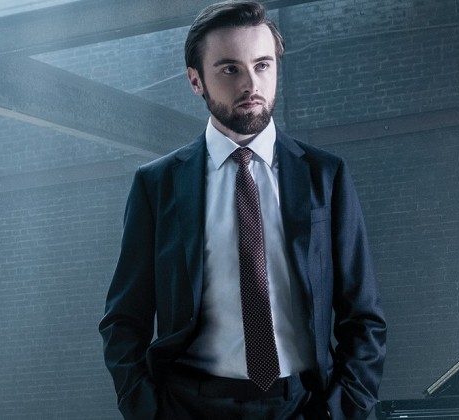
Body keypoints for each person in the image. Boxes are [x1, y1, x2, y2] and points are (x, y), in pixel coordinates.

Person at [98, 2, 386, 419]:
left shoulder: (325, 176)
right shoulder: (157, 185)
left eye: (263, 65)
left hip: (304, 405)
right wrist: (147, 411)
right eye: (230, 69)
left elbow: (364, 317)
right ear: (196, 80)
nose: (251, 83)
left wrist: (346, 411)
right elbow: (124, 321)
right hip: (190, 406)